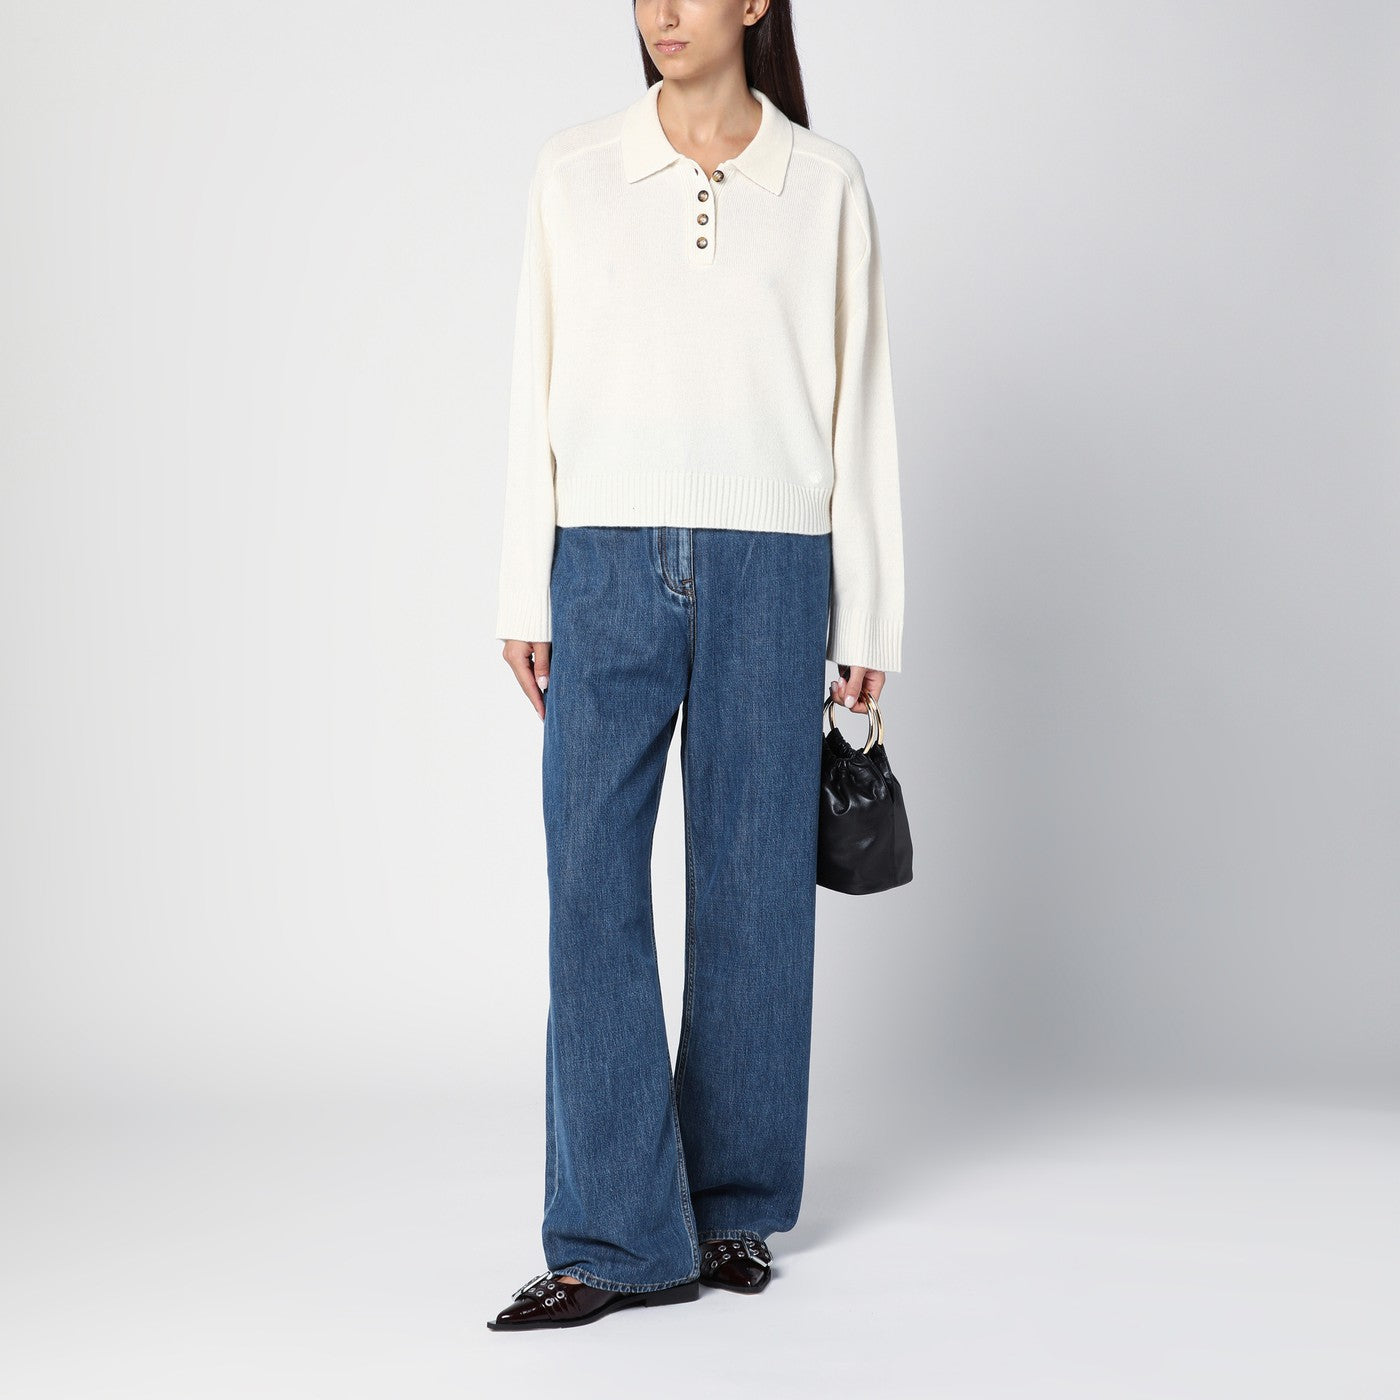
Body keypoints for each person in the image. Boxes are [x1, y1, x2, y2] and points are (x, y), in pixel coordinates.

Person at [487, 0, 905, 1332]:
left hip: (774, 567)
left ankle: (728, 1209)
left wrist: (868, 616)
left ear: (756, 2)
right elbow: (533, 380)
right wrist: (523, 583)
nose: (661, 11)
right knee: (589, 883)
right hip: (602, 562)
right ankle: (615, 1235)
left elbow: (860, 402)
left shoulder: (822, 184)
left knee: (752, 894)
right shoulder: (574, 171)